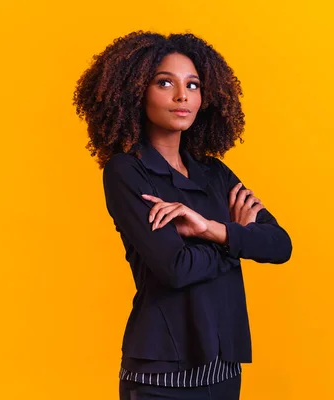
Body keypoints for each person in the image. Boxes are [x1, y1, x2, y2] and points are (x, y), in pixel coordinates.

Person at [73, 31, 292, 400]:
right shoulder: (127, 171)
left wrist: (212, 230)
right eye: (165, 83)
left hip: (224, 369)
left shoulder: (215, 174)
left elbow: (280, 244)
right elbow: (175, 269)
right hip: (162, 377)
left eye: (192, 85)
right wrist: (234, 236)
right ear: (136, 91)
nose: (182, 96)